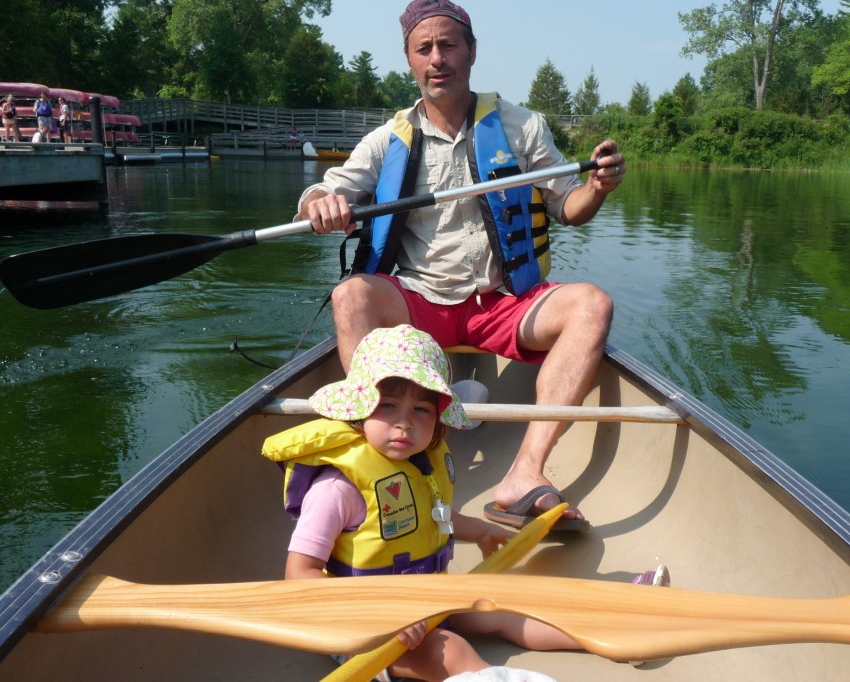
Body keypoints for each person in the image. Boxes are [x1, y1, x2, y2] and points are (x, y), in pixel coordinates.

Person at [294, 0, 626, 531]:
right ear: (409, 60)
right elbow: (324, 192)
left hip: (505, 302)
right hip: (421, 306)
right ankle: (376, 462)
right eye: (424, 49)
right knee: (350, 295)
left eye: (448, 45)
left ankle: (524, 473)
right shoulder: (388, 139)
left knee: (592, 304)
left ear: (472, 52)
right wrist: (319, 203)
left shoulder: (522, 127)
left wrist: (596, 186)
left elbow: (570, 208)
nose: (437, 58)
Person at [263, 325, 668, 682]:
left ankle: (619, 634)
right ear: (358, 409)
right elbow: (299, 575)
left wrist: (483, 530)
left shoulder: (416, 465)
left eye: (421, 409)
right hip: (364, 627)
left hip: (426, 596)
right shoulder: (336, 489)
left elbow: (433, 519)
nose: (405, 422)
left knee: (501, 609)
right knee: (451, 651)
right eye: (388, 406)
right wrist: (385, 614)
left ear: (438, 418)